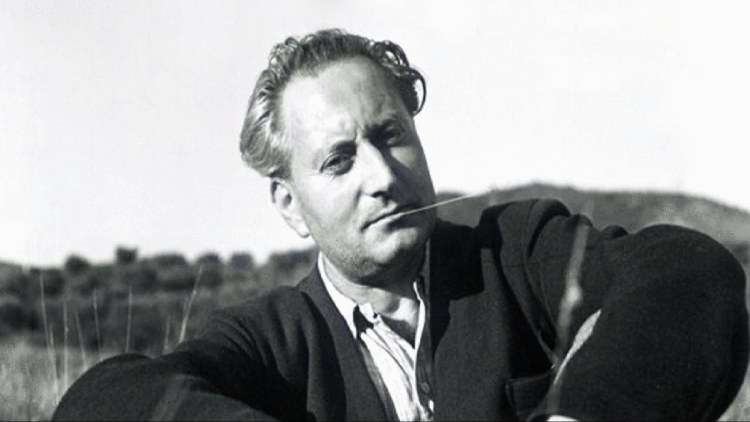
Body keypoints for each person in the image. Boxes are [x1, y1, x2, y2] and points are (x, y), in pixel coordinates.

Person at [53, 29, 748, 421]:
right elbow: (101, 403)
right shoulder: (272, 337)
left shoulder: (514, 252)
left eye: (392, 136)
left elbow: (690, 274)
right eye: (339, 161)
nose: (383, 175)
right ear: (290, 206)